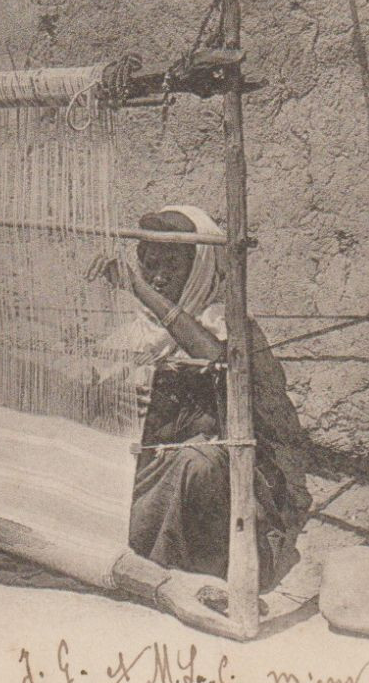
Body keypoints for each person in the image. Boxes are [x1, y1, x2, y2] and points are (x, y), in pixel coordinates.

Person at [87, 206, 309, 588]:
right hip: (147, 469)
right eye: (148, 267)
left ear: (199, 268)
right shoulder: (135, 334)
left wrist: (138, 289)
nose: (157, 278)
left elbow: (214, 358)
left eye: (171, 268)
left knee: (198, 463)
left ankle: (177, 570)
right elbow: (97, 405)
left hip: (221, 474)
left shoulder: (228, 325)